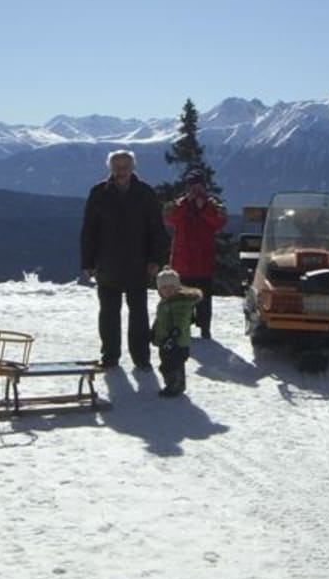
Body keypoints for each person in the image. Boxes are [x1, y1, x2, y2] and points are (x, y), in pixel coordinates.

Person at [80, 150, 169, 369]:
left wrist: (156, 260)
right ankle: (110, 357)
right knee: (108, 314)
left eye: (125, 166)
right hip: (107, 263)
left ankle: (141, 358)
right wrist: (88, 262)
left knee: (139, 315)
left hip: (138, 263)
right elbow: (89, 230)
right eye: (117, 166)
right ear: (110, 168)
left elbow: (157, 230)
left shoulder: (145, 193)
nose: (121, 171)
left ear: (133, 168)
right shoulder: (98, 192)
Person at [163, 168, 227, 339]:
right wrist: (186, 204)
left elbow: (219, 222)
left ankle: (205, 328)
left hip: (203, 263)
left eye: (199, 186)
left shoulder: (213, 205)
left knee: (204, 300)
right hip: (182, 263)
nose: (196, 190)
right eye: (192, 187)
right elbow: (169, 219)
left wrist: (203, 208)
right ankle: (183, 326)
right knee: (182, 299)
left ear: (205, 187)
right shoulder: (179, 204)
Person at [151, 268, 201, 397]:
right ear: (159, 290)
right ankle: (175, 384)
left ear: (177, 287)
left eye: (171, 287)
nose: (167, 290)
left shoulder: (180, 303)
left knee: (172, 365)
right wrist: (155, 331)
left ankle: (175, 386)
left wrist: (174, 334)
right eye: (164, 287)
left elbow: (182, 320)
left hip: (177, 342)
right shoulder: (166, 301)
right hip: (166, 341)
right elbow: (161, 319)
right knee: (168, 364)